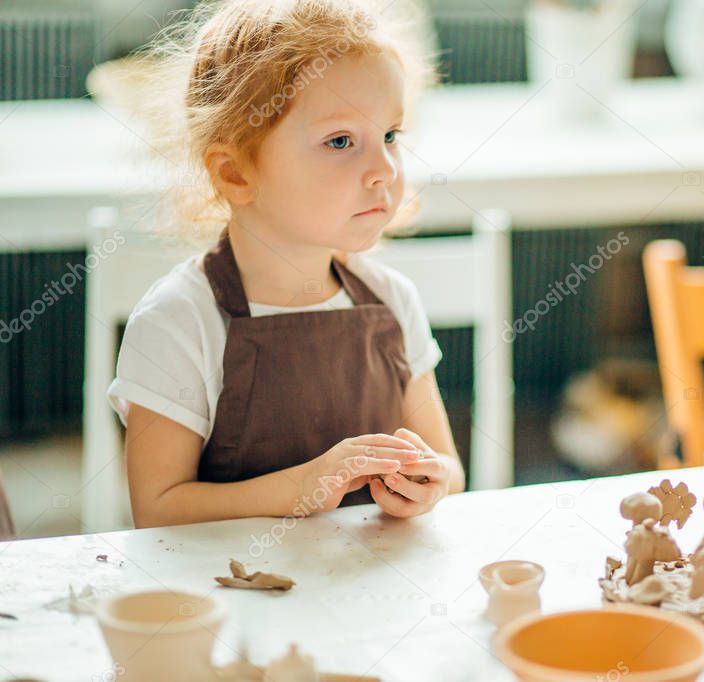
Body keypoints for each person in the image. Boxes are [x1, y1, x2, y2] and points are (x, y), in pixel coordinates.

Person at [107, 0, 464, 528]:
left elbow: (452, 469)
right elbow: (158, 510)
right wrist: (297, 488)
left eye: (390, 135)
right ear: (234, 174)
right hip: (234, 598)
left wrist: (429, 482)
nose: (384, 169)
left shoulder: (392, 302)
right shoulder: (177, 322)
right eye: (340, 141)